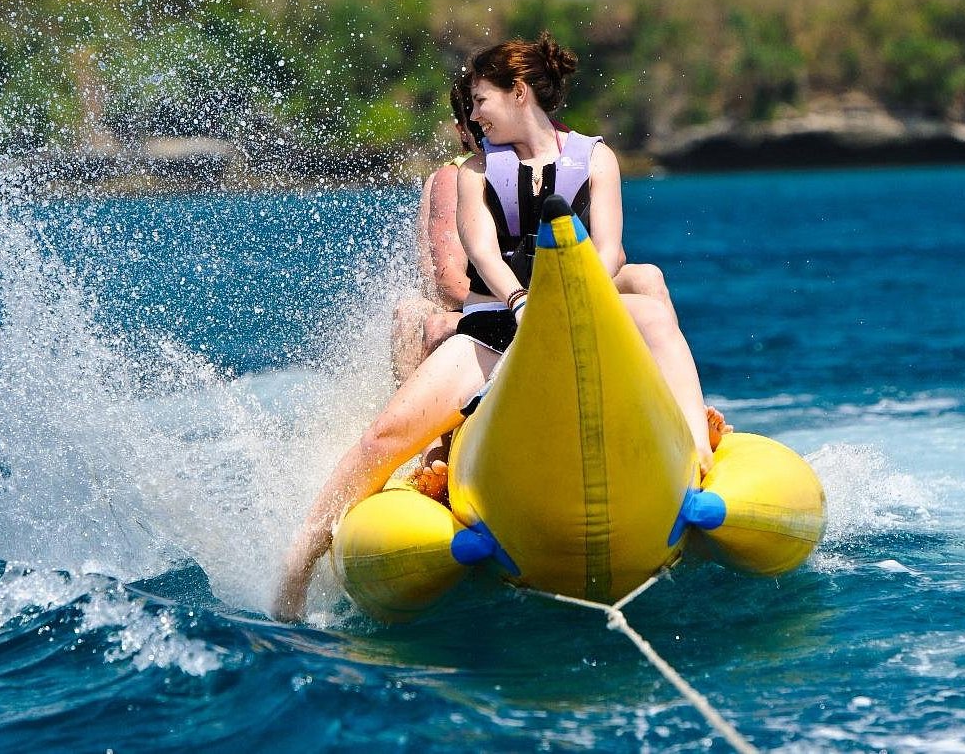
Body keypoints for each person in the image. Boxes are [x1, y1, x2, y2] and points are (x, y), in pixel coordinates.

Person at [274, 33, 727, 621]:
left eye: (482, 101)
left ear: (518, 94)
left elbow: (611, 251)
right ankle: (301, 556)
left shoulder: (597, 159)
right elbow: (481, 248)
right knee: (383, 439)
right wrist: (519, 301)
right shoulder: (474, 172)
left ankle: (696, 454)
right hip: (496, 325)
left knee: (654, 310)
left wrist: (568, 300)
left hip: (581, 313)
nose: (474, 115)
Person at [390, 74, 480, 387]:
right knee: (411, 315)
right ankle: (424, 433)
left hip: (522, 302)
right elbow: (443, 284)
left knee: (640, 278)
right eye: (476, 121)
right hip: (465, 307)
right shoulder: (448, 180)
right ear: (463, 131)